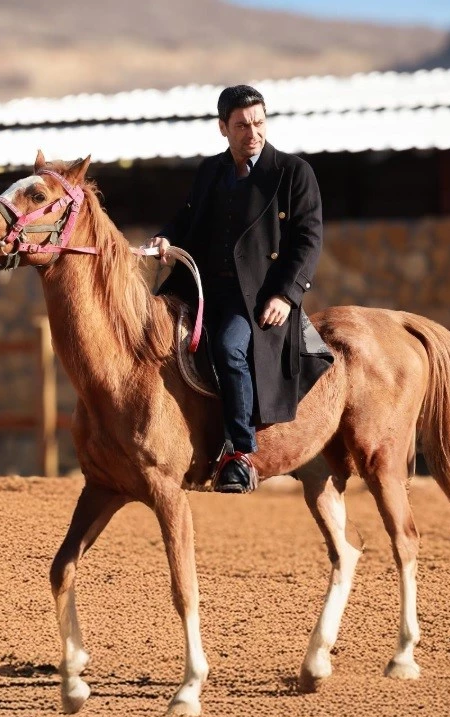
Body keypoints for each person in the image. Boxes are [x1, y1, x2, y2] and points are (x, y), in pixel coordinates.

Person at [151, 84, 333, 494]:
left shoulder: (293, 172)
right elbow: (187, 219)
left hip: (252, 300)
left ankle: (239, 454)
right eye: (242, 125)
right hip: (198, 290)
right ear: (223, 129)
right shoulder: (210, 172)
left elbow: (308, 239)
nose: (253, 132)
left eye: (258, 122)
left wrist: (286, 295)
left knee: (230, 348)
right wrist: (164, 239)